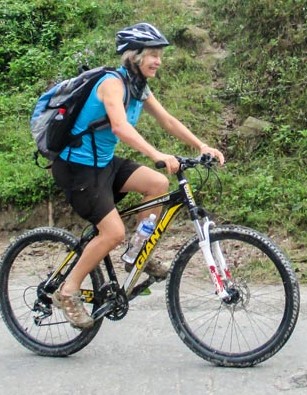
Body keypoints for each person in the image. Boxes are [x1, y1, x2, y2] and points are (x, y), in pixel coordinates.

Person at [51, 23, 226, 329]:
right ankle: (67, 291)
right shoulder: (112, 84)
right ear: (133, 56)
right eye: (152, 55)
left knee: (157, 184)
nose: (158, 61)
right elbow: (119, 127)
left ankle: (135, 254)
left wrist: (201, 145)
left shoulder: (138, 87)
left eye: (159, 55)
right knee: (112, 232)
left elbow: (168, 120)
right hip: (77, 168)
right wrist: (157, 155)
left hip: (102, 163)